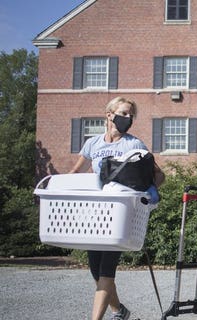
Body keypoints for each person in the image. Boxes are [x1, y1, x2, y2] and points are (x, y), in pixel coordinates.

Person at [69, 96, 165, 320]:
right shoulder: (93, 143)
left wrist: (147, 190)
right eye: (123, 113)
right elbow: (75, 173)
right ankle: (119, 311)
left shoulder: (134, 145)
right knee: (95, 269)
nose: (128, 118)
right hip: (94, 214)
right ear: (109, 114)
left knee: (106, 270)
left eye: (131, 115)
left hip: (118, 214)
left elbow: (158, 174)